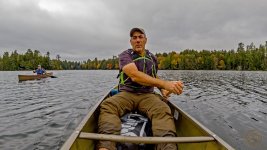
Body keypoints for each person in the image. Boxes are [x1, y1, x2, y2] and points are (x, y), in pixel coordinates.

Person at [98, 28, 184, 150]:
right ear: (131, 41)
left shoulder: (153, 58)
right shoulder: (125, 55)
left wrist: (164, 90)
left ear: (145, 40)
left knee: (163, 109)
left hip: (147, 95)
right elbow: (134, 75)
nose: (137, 40)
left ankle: (167, 147)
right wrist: (165, 84)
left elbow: (153, 77)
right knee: (108, 105)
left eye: (140, 37)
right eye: (134, 38)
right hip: (127, 93)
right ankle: (106, 145)